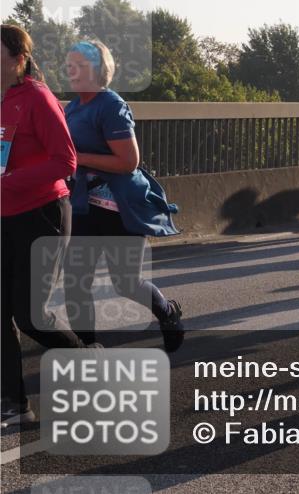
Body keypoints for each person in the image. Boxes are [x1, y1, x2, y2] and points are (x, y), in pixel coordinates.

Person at [61, 41, 184, 353]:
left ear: (97, 70)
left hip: (118, 209)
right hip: (82, 208)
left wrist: (81, 158)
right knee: (76, 284)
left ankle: (166, 311)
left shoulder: (111, 105)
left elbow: (128, 162)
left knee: (125, 282)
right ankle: (87, 349)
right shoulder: (72, 108)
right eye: (69, 64)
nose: (70, 70)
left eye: (78, 65)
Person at [1, 25, 86, 427]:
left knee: (31, 315)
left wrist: (10, 182)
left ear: (17, 60)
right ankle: (16, 405)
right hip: (2, 216)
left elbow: (65, 161)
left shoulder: (37, 97)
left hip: (42, 213)